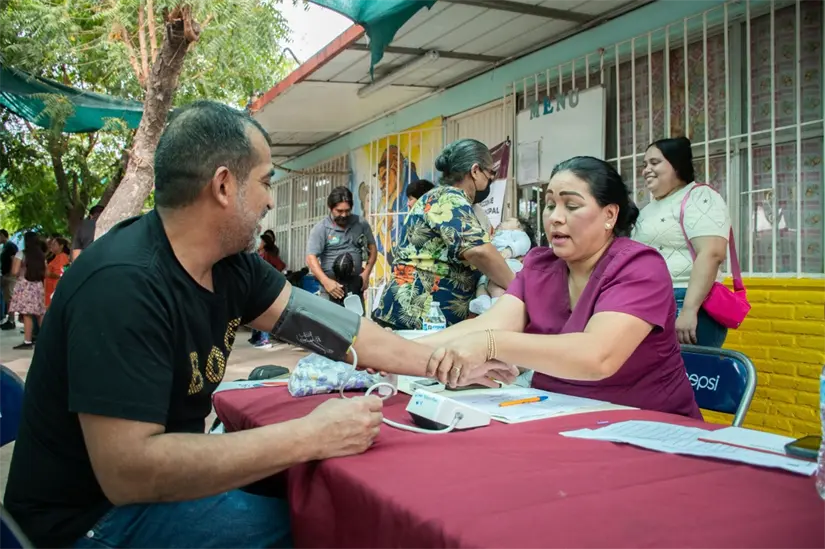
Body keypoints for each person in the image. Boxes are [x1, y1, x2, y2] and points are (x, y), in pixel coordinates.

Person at [3, 100, 518, 549]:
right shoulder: (123, 285)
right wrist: (309, 437)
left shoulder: (231, 266)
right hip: (90, 523)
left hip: (149, 495)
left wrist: (445, 363)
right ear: (224, 185)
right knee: (330, 529)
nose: (272, 200)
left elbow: (343, 331)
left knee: (325, 498)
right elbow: (130, 473)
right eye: (266, 182)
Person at [417, 156, 701, 419]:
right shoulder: (540, 265)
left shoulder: (639, 267)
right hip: (555, 416)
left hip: (646, 427)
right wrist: (396, 351)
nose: (555, 217)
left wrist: (489, 343)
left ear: (609, 215)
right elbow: (491, 325)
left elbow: (597, 357)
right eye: (550, 204)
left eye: (572, 206)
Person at [373, 139, 515, 329]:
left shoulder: (443, 198)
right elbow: (479, 252)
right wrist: (518, 289)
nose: (490, 180)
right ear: (475, 171)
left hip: (423, 315)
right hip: (416, 315)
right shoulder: (449, 198)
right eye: (491, 173)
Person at [632, 137, 731, 347]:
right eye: (644, 165)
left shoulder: (700, 197)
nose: (646, 170)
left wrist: (688, 310)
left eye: (654, 163)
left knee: (689, 374)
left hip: (687, 301)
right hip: (654, 300)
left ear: (676, 164)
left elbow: (712, 253)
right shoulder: (650, 208)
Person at [306, 186, 377, 305]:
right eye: (339, 211)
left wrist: (366, 274)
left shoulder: (361, 223)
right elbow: (310, 258)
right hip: (330, 289)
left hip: (355, 288)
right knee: (329, 323)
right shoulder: (321, 228)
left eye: (347, 210)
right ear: (330, 208)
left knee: (356, 322)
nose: (344, 215)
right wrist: (326, 281)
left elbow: (373, 249)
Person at [469, 217, 536, 315]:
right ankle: (482, 302)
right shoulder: (495, 236)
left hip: (509, 265)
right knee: (481, 284)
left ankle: (497, 305)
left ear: (519, 228)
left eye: (507, 221)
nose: (501, 222)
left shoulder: (516, 234)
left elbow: (524, 243)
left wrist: (509, 250)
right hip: (490, 269)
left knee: (496, 285)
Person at [7, 231, 46, 349]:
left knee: (27, 314)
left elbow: (14, 272)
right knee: (39, 314)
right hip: (38, 285)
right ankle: (47, 339)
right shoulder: (41, 255)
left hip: (25, 285)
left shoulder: (21, 254)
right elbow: (46, 271)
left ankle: (27, 341)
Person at [0, 228, 18, 328]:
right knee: (7, 297)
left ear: (2, 235)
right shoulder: (6, 246)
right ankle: (9, 319)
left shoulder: (10, 246)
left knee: (10, 298)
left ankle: (11, 320)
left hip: (10, 275)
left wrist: (11, 273)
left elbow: (14, 259)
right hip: (6, 274)